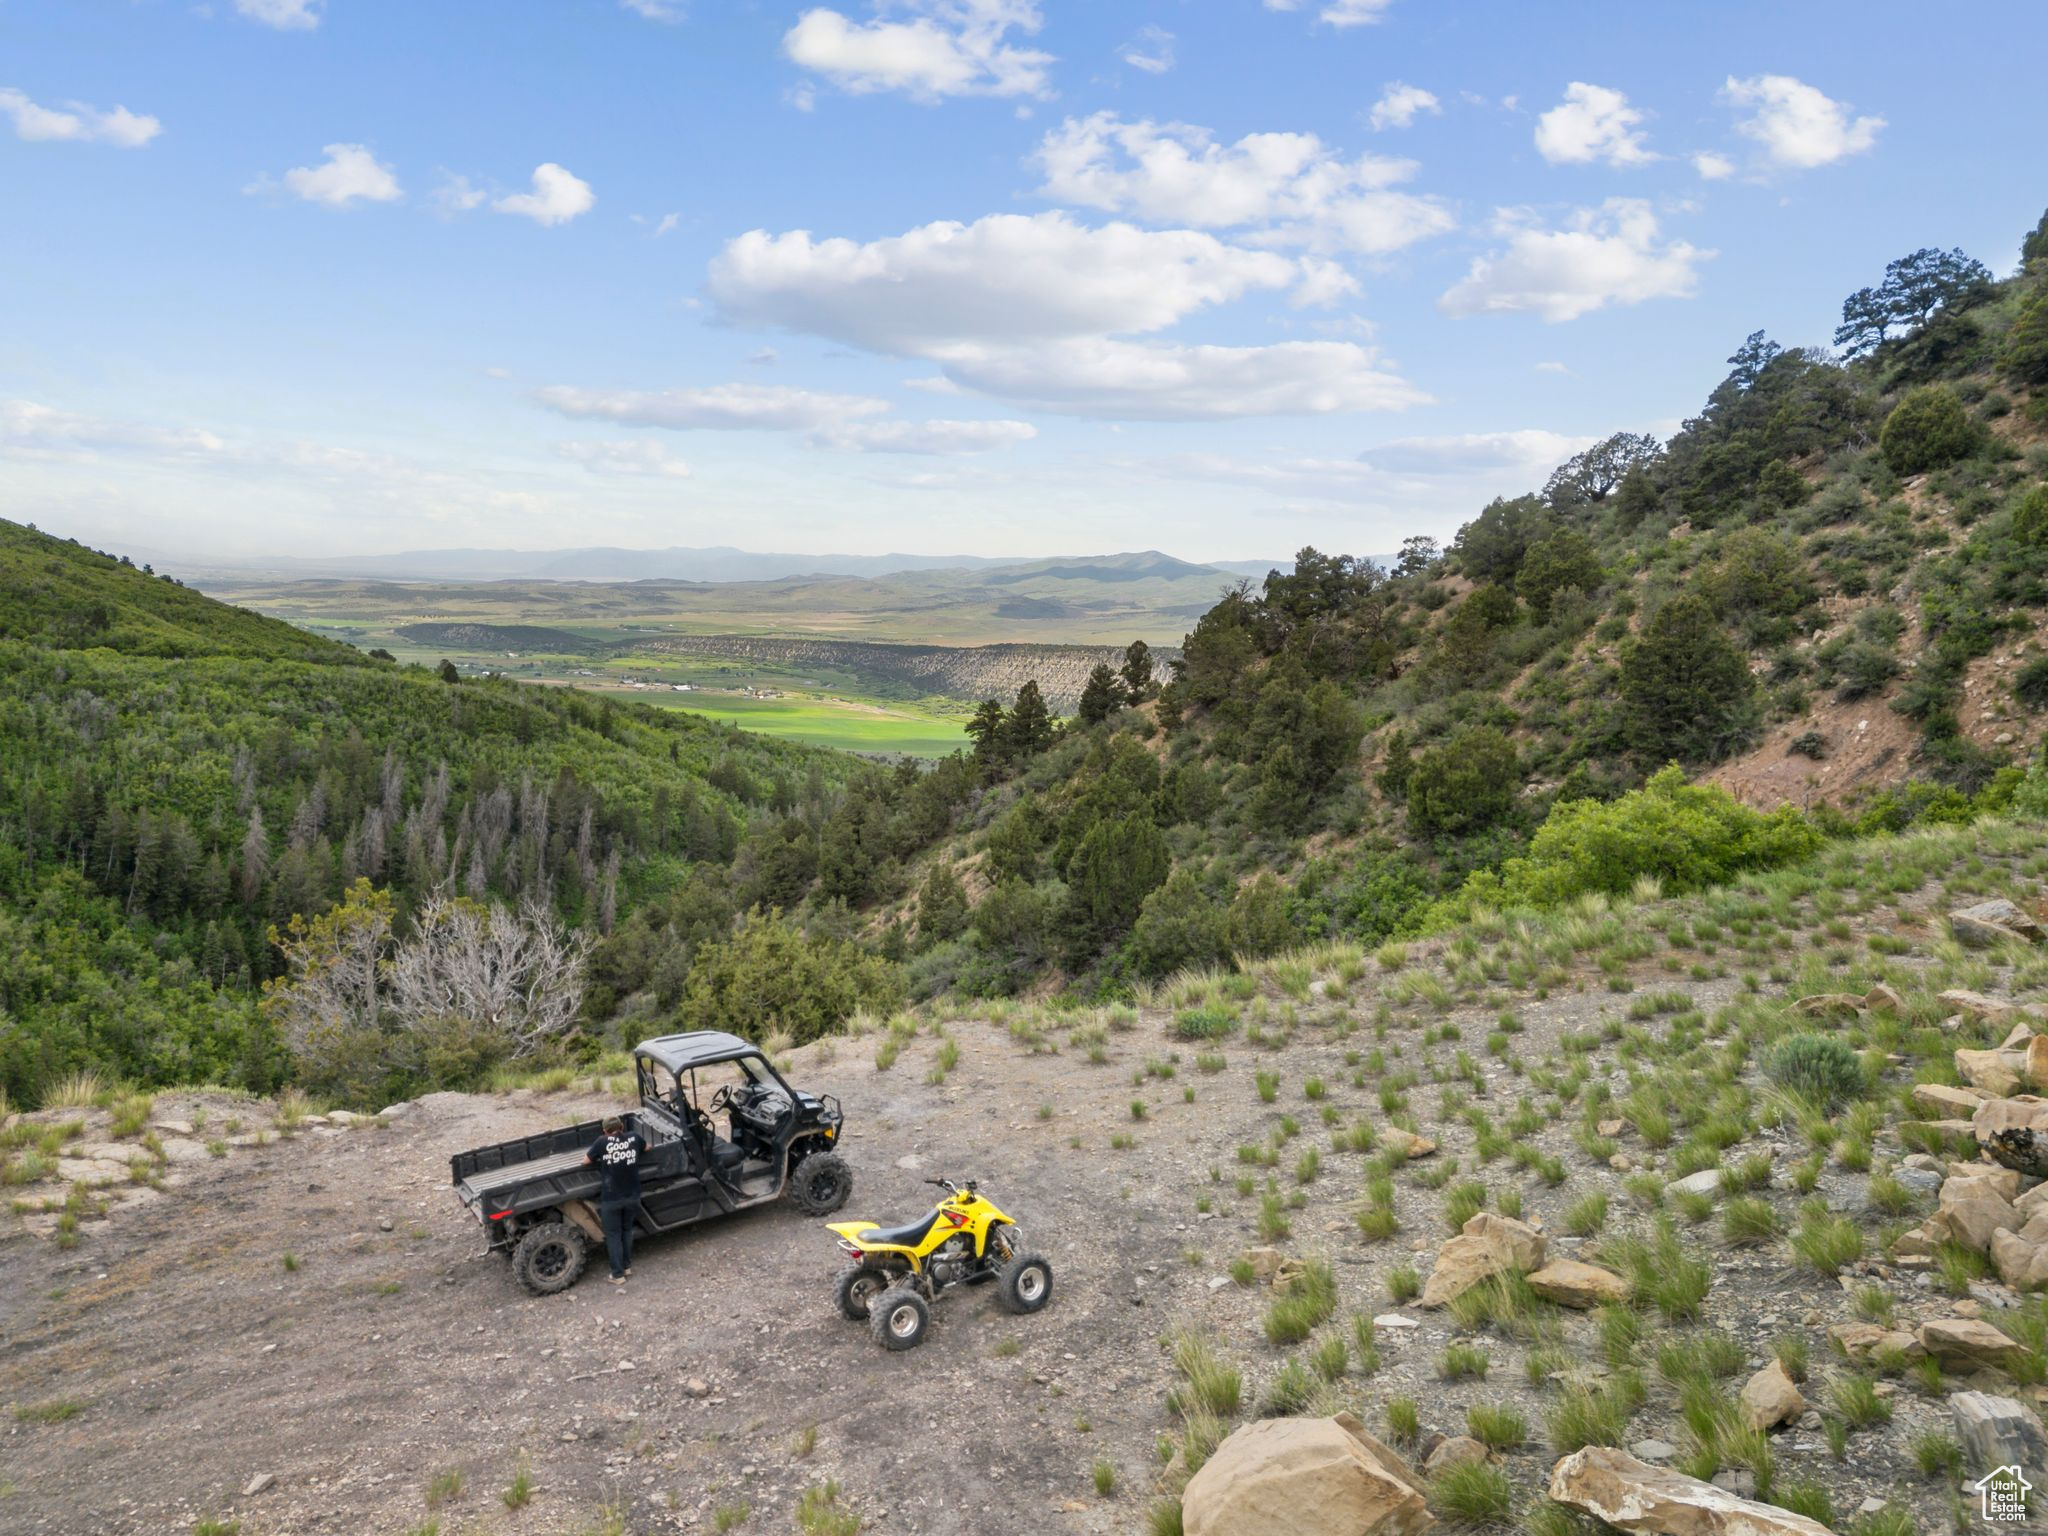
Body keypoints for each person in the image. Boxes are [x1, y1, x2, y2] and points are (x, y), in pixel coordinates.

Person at [585, 1115, 645, 1285]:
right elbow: (647, 1147)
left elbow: (585, 1161)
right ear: (622, 1127)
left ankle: (617, 1275)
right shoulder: (634, 1137)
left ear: (605, 1131)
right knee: (627, 1231)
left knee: (613, 1235)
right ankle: (626, 1267)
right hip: (632, 1196)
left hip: (612, 1199)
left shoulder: (601, 1142)